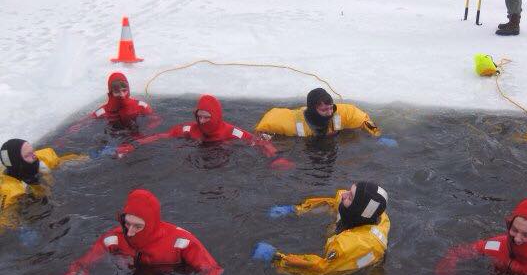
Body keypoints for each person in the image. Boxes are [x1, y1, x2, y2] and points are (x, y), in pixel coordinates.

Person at [39, 189, 223, 275]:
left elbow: (212, 269)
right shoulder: (114, 238)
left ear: (151, 224)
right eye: (127, 223)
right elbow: (83, 264)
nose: (130, 232)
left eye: (138, 226)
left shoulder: (181, 242)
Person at [252, 182, 390, 275]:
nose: (344, 195)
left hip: (354, 273)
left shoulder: (353, 246)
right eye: (349, 190)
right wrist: (295, 209)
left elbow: (320, 270)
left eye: (350, 196)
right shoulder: (365, 213)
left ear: (356, 209)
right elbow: (329, 203)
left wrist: (276, 259)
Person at [107, 94, 292, 168]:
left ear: (216, 117)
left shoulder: (231, 132)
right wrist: (134, 144)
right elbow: (162, 136)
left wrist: (276, 157)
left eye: (206, 117)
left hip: (224, 161)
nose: (202, 121)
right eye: (199, 117)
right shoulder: (189, 129)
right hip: (198, 159)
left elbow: (259, 142)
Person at [255, 88, 395, 146]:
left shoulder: (342, 112)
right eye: (324, 110)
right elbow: (262, 130)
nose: (329, 113)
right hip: (306, 149)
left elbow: (364, 120)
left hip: (332, 145)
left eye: (330, 107)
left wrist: (377, 134)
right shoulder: (291, 121)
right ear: (312, 109)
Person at [1, 138, 83, 225]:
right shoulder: (10, 191)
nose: (34, 156)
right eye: (27, 155)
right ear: (17, 162)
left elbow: (72, 159)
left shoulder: (42, 159)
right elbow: (5, 221)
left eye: (32, 151)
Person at [61, 72, 161, 139]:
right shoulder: (103, 111)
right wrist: (63, 138)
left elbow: (156, 120)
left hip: (137, 138)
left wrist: (144, 133)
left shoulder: (141, 106)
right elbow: (82, 124)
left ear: (128, 90)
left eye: (124, 91)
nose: (122, 95)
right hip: (114, 138)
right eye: (117, 92)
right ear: (111, 92)